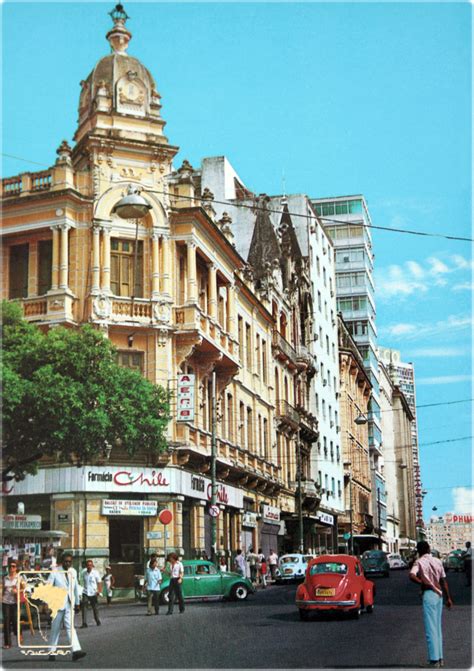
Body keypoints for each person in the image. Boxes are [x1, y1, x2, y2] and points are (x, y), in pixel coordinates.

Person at [409, 540, 453, 668]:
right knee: (438, 628)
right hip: (439, 595)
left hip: (429, 594)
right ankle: (440, 658)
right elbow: (443, 581)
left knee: (430, 628)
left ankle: (434, 660)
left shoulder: (419, 562)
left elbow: (411, 575)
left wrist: (422, 583)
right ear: (428, 549)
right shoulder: (438, 561)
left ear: (419, 551)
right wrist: (448, 598)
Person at [48, 553, 86, 662]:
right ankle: (52, 652)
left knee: (70, 627)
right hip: (57, 605)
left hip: (69, 604)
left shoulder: (73, 572)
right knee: (55, 629)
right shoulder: (55, 572)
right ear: (62, 561)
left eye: (69, 561)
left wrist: (78, 603)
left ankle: (76, 651)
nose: (68, 563)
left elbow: (75, 588)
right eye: (66, 561)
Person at [2, 560, 22, 649]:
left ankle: (19, 634)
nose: (11, 568)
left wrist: (17, 591)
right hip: (5, 601)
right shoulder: (5, 578)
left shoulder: (19, 578)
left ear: (16, 568)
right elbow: (3, 589)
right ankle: (7, 643)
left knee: (15, 621)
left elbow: (25, 589)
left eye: (13, 566)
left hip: (14, 602)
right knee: (6, 621)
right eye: (10, 566)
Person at [81, 559, 102, 627]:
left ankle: (97, 620)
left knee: (95, 607)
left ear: (92, 566)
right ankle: (84, 623)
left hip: (93, 593)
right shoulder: (83, 572)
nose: (89, 566)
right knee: (84, 607)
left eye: (90, 565)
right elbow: (81, 581)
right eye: (88, 565)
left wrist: (99, 591)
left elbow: (99, 582)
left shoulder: (95, 573)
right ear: (86, 566)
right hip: (85, 592)